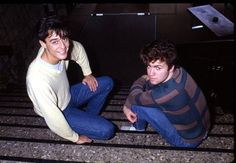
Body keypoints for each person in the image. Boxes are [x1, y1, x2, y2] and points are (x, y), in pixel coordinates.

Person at [26, 16, 115, 144]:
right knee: (108, 130)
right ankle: (81, 124)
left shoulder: (60, 52)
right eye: (54, 41)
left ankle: (87, 120)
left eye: (64, 38)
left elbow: (77, 48)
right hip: (60, 111)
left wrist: (88, 74)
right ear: (43, 44)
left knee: (107, 83)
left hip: (68, 95)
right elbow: (53, 117)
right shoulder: (37, 79)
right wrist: (75, 137)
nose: (63, 46)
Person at [121, 40, 211, 148]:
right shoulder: (181, 71)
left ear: (171, 67)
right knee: (146, 95)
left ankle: (138, 128)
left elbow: (134, 97)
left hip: (186, 141)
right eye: (149, 66)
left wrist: (141, 79)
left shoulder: (167, 93)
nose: (151, 73)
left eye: (158, 68)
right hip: (203, 129)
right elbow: (152, 86)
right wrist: (148, 81)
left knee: (136, 105)